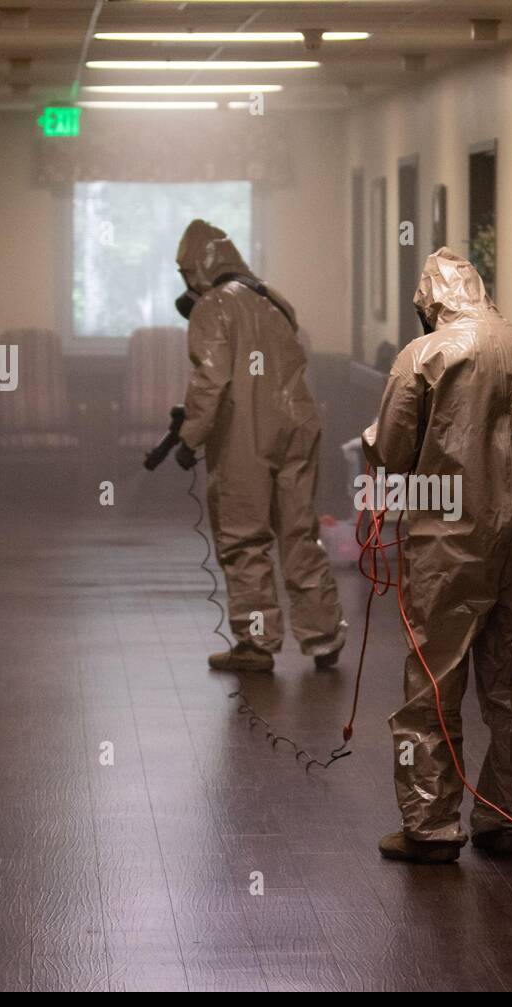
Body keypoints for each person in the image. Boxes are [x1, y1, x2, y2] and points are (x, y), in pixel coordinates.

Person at [362, 247, 512, 863]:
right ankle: (507, 819)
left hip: (450, 542)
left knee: (434, 678)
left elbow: (393, 451)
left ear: (430, 300)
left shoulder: (425, 355)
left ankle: (429, 826)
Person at [174, 219, 346, 672]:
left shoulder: (212, 307)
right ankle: (324, 635)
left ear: (195, 267)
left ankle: (256, 642)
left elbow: (211, 381)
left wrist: (190, 436)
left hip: (245, 432)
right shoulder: (274, 299)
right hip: (299, 424)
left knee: (244, 537)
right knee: (299, 531)